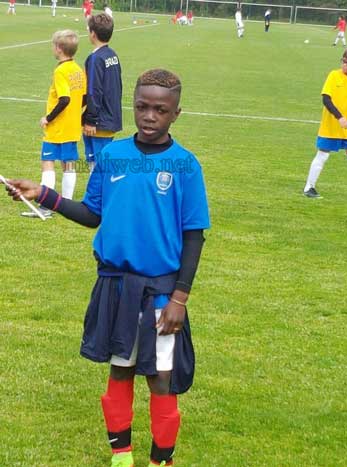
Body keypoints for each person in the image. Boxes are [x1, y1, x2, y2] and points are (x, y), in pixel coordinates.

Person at [6, 68, 210, 467]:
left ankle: (160, 461)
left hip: (162, 291)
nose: (150, 116)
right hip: (117, 286)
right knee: (120, 371)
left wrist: (180, 299)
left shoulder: (186, 165)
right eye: (141, 107)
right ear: (131, 105)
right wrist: (43, 194)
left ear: (176, 114)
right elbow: (91, 213)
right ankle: (121, 457)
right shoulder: (113, 154)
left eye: (160, 109)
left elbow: (194, 236)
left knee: (161, 379)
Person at [21, 30, 86, 218]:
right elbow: (85, 97)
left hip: (57, 128)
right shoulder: (78, 70)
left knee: (47, 163)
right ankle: (66, 205)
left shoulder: (60, 71)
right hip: (73, 127)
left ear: (58, 48)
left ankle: (45, 206)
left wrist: (48, 118)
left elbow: (64, 99)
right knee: (69, 165)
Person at [304, 49, 347, 198]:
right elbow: (326, 99)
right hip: (331, 125)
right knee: (323, 154)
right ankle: (309, 187)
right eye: (343, 62)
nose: (345, 65)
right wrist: (339, 117)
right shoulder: (334, 75)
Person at [83, 13, 122, 172]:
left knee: (98, 165)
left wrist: (91, 119)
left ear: (92, 33)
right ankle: (98, 194)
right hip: (111, 117)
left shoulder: (95, 58)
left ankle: (101, 195)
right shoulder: (112, 55)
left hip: (99, 121)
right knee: (101, 163)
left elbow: (94, 90)